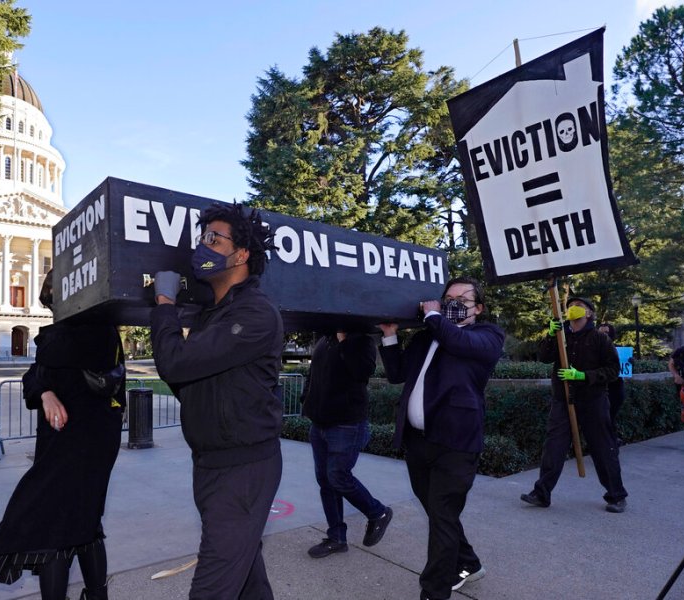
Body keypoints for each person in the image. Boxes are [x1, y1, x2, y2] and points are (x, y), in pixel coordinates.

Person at [150, 203, 283, 600]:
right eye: (201, 238)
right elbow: (191, 383)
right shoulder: (214, 316)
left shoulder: (255, 314)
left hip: (243, 470)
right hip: (210, 464)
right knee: (246, 578)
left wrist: (164, 305)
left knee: (212, 588)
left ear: (241, 255)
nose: (203, 246)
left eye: (213, 238)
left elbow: (176, 364)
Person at [0, 271, 126, 600]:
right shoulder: (64, 334)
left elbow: (39, 368)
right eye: (51, 299)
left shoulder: (90, 330)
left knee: (54, 525)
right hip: (62, 442)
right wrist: (45, 391)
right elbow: (33, 378)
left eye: (57, 296)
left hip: (84, 443)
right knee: (82, 521)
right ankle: (97, 595)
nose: (54, 306)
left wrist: (41, 384)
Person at [378, 276, 504, 600]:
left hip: (456, 446)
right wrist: (390, 336)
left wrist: (434, 316)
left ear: (478, 308)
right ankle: (470, 563)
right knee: (439, 514)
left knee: (442, 515)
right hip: (419, 443)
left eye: (462, 300)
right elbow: (396, 374)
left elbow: (459, 344)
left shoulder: (487, 336)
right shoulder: (426, 337)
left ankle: (434, 592)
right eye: (447, 297)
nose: (452, 303)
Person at [521, 297, 628, 513]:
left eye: (579, 307)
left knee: (602, 448)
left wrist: (582, 376)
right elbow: (543, 357)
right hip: (563, 400)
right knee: (554, 447)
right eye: (569, 306)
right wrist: (550, 335)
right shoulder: (561, 336)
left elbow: (612, 370)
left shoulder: (600, 339)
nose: (572, 309)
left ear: (589, 314)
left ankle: (616, 496)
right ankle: (542, 493)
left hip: (593, 401)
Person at [301, 330, 392, 559]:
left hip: (347, 425)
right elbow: (314, 374)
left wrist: (344, 339)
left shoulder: (361, 339)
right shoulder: (324, 338)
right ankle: (336, 538)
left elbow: (362, 372)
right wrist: (307, 400)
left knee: (338, 477)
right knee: (326, 482)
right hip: (319, 424)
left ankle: (377, 512)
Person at [598, 322, 625, 445]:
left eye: (606, 332)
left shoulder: (619, 349)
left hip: (615, 389)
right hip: (599, 389)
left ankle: (611, 440)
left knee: (610, 416)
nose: (603, 335)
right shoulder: (594, 350)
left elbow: (626, 368)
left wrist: (629, 362)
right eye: (601, 332)